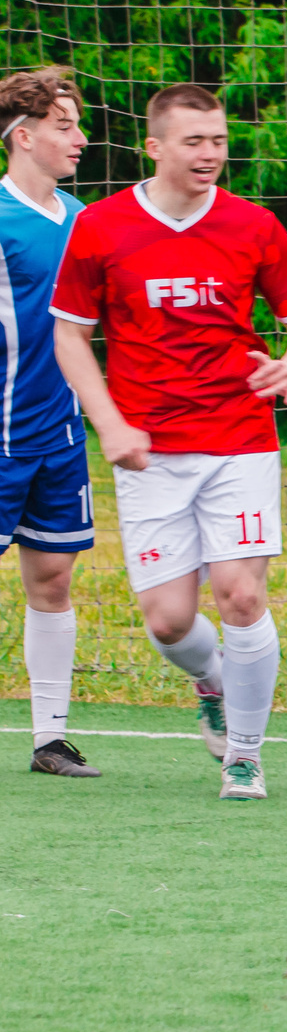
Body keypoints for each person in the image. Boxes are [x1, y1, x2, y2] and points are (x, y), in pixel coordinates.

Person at [50, 81, 287, 800]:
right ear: (155, 146)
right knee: (170, 620)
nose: (211, 154)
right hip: (148, 449)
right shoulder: (102, 228)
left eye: (220, 141)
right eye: (195, 141)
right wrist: (108, 421)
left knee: (240, 594)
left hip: (239, 437)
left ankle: (245, 753)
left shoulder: (254, 226)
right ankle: (210, 679)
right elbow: (71, 336)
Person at [0, 67, 99, 777]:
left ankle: (49, 738)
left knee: (53, 578)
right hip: (0, 436)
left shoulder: (87, 219)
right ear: (23, 136)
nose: (81, 138)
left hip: (60, 434)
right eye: (65, 125)